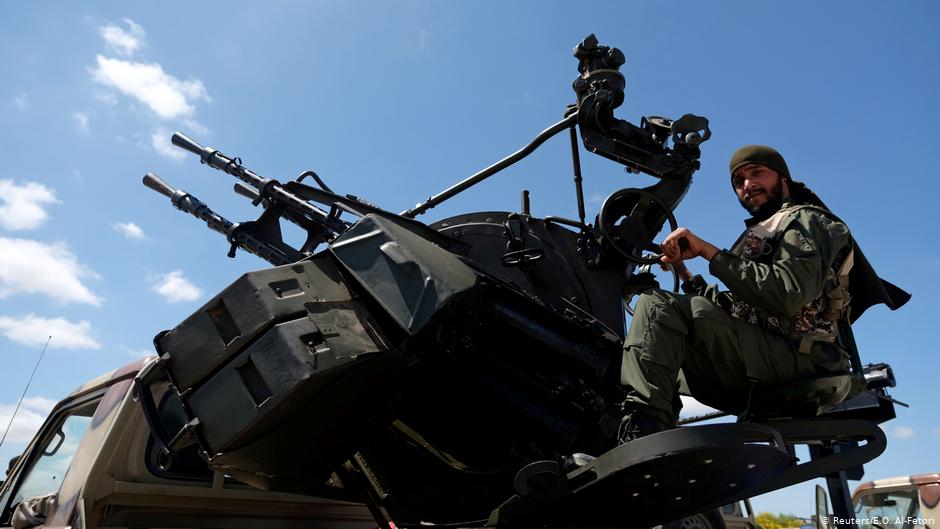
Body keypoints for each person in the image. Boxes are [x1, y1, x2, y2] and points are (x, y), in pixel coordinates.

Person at [616, 144, 906, 442]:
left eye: (757, 173)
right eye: (739, 181)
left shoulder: (806, 221)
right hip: (770, 350)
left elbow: (787, 294)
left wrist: (708, 252)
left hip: (803, 360)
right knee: (645, 350)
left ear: (782, 178)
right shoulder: (762, 233)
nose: (748, 185)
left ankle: (646, 431)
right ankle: (645, 426)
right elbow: (739, 309)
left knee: (656, 306)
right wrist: (684, 273)